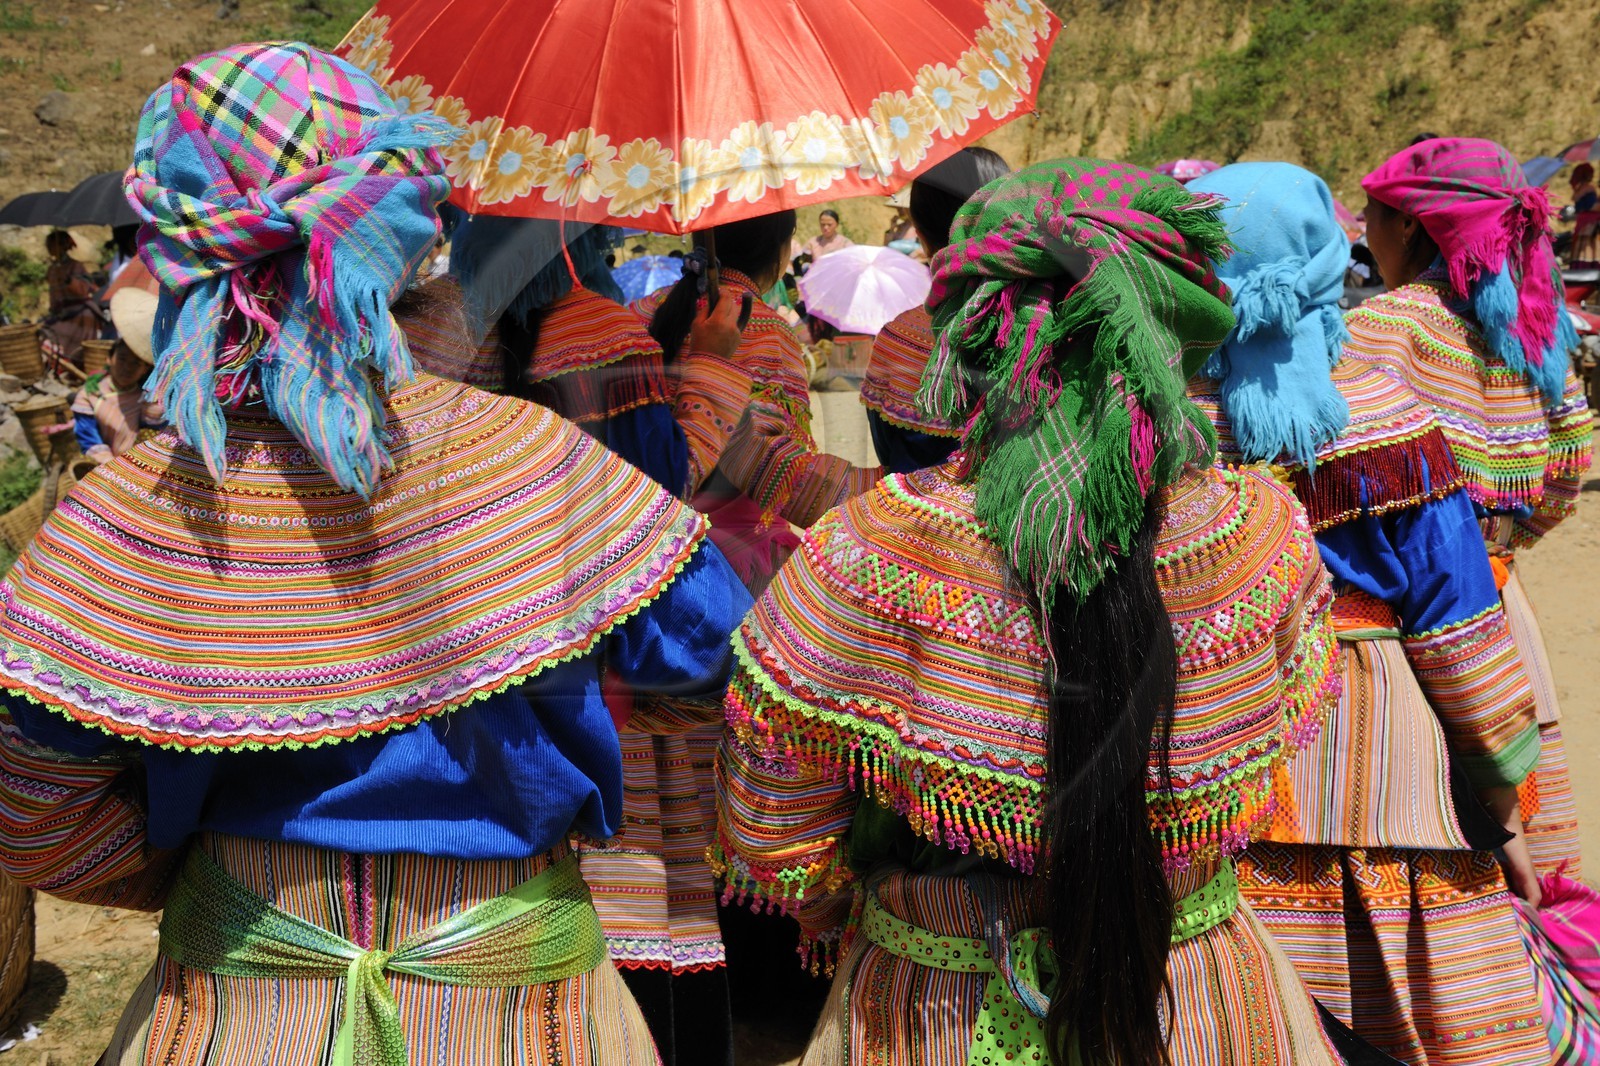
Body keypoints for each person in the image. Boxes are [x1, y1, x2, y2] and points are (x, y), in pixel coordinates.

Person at [0, 42, 753, 1065]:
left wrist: (212, 877)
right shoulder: (534, 466)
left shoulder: (125, 517)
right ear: (398, 228)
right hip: (523, 1017)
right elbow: (721, 658)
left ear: (178, 247)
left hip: (228, 1016)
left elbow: (36, 813)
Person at [713, 159, 1348, 1065]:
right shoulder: (1262, 531)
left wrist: (857, 889)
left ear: (966, 334)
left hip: (935, 1005)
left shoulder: (870, 549)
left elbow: (773, 820)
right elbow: (1270, 762)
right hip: (1198, 999)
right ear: (1173, 331)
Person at [1187, 161, 1564, 1065]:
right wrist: (1500, 799)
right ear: (1327, 260)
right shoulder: (1386, 419)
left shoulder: (1155, 423)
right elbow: (1455, 624)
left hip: (1206, 747)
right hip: (1380, 764)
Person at [447, 214, 756, 1066]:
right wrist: (711, 370)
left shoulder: (462, 345)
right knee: (647, 895)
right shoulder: (598, 330)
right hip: (616, 664)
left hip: (505, 653)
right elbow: (654, 501)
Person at [1343, 138, 1592, 885]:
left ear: (1413, 227)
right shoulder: (1536, 331)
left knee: (1436, 853)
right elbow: (1571, 466)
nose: (1366, 238)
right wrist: (1500, 549)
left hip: (1414, 620)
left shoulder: (1382, 332)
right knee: (1520, 845)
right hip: (1503, 608)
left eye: (1372, 220)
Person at [643, 211, 881, 590]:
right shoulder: (770, 332)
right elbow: (778, 465)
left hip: (640, 545)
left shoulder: (640, 312)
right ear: (782, 251)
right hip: (730, 565)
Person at [859, 147, 1010, 473]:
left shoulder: (898, 339)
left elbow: (890, 458)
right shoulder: (1053, 326)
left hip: (919, 519)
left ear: (924, 238)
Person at [71, 288, 164, 462]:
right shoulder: (89, 396)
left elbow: (153, 432)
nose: (127, 368)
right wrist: (116, 470)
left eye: (136, 364)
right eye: (122, 359)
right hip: (102, 468)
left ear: (145, 370)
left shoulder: (145, 397)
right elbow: (90, 442)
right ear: (109, 359)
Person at [38, 229, 101, 369]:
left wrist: (68, 280)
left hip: (80, 313)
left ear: (61, 246)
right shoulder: (52, 269)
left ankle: (73, 365)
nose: (49, 249)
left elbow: (85, 289)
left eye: (51, 245)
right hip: (62, 313)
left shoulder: (76, 266)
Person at [1569, 162, 1598, 264]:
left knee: (1579, 248)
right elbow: (1592, 207)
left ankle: (1579, 267)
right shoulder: (1589, 188)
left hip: (1581, 222)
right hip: (1591, 223)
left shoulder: (1579, 189)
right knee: (1590, 247)